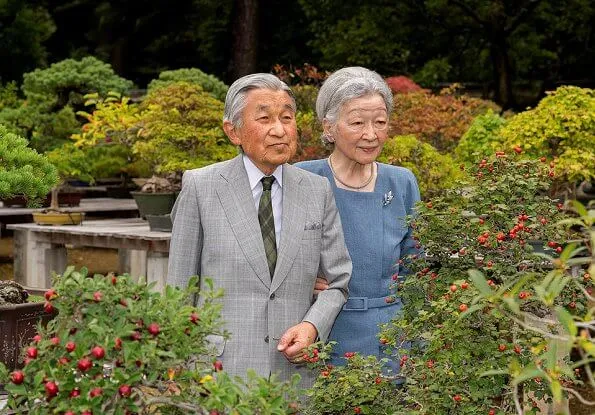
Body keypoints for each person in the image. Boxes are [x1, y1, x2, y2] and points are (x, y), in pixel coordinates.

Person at [167, 73, 351, 387]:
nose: (279, 130)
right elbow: (179, 292)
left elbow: (338, 282)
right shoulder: (201, 187)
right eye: (264, 118)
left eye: (287, 118)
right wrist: (174, 369)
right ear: (233, 131)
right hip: (219, 374)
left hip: (294, 376)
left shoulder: (316, 190)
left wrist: (311, 327)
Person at [295, 67, 420, 373]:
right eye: (357, 123)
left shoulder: (401, 182)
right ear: (329, 127)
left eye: (380, 122)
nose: (371, 134)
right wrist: (300, 278)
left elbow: (417, 266)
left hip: (392, 337)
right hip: (323, 333)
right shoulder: (303, 179)